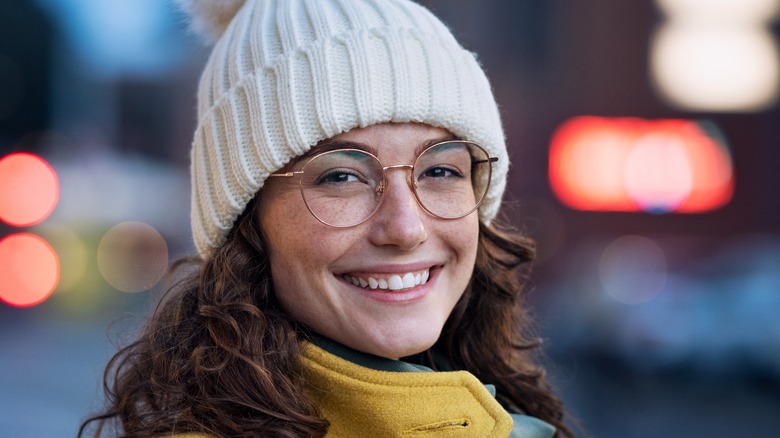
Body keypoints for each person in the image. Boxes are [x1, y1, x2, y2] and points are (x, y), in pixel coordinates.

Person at [80, 0, 571, 436]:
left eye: (440, 170)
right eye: (341, 177)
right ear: (247, 222)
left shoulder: (510, 418)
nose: (405, 228)